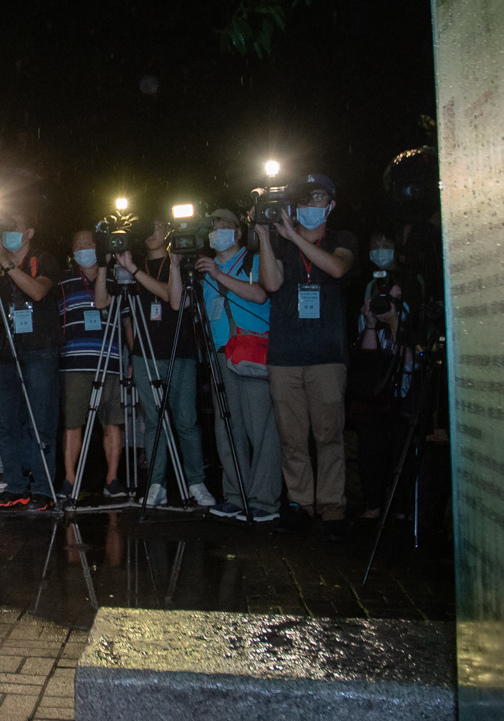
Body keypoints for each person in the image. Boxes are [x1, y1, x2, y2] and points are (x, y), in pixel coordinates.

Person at [258, 175, 358, 539]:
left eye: (319, 198)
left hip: (327, 355)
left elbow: (336, 268)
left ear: (330, 205)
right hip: (284, 354)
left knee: (329, 434)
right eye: (305, 199)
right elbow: (270, 284)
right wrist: (264, 236)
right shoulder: (279, 242)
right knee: (292, 437)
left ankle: (332, 505)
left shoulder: (341, 240)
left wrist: (293, 236)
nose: (311, 205)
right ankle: (299, 501)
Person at [0, 213, 59, 509]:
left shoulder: (43, 258)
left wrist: (6, 262)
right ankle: (15, 486)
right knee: (6, 424)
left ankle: (42, 489)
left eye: (13, 228)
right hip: (3, 352)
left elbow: (38, 291)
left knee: (39, 423)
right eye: (3, 229)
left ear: (28, 232)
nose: (6, 233)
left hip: (39, 351)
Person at [117, 219, 214, 509]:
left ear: (169, 232)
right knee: (153, 422)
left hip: (180, 351)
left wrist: (136, 269)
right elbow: (127, 317)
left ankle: (196, 482)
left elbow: (173, 299)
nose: (151, 230)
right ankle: (156, 485)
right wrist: (135, 353)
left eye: (157, 225)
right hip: (145, 355)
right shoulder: (131, 267)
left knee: (185, 420)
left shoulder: (182, 263)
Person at [195, 208, 281, 521]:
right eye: (213, 226)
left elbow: (260, 295)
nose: (218, 231)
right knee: (227, 426)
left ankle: (264, 500)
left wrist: (218, 276)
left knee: (261, 427)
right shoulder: (203, 268)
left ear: (236, 230)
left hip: (252, 350)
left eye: (224, 226)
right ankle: (236, 494)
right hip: (219, 352)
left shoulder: (252, 259)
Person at [347, 230, 418, 520]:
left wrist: (394, 322)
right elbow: (367, 354)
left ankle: (401, 509)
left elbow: (413, 350)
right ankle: (372, 504)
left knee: (401, 445)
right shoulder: (367, 287)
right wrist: (372, 324)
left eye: (385, 244)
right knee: (370, 445)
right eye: (374, 246)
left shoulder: (412, 283)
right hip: (375, 386)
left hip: (405, 382)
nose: (379, 250)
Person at [58, 228, 128, 502]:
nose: (84, 247)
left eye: (88, 243)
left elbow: (126, 321)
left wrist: (132, 356)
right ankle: (69, 478)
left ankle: (112, 479)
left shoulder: (114, 277)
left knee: (112, 422)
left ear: (98, 247)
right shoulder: (63, 282)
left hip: (110, 360)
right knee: (73, 423)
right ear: (73, 251)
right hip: (74, 362)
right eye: (79, 244)